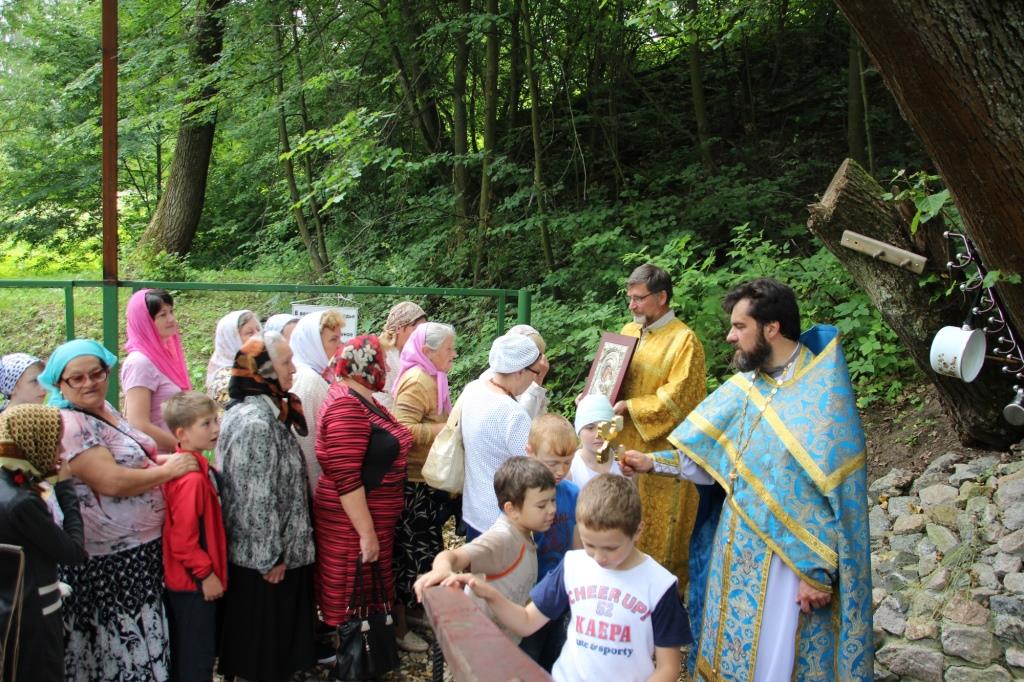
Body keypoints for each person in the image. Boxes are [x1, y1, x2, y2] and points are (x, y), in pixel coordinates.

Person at [621, 278, 873, 681]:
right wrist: (653, 463)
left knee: (782, 657)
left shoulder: (822, 394)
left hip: (789, 564)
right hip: (735, 549)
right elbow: (712, 459)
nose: (729, 336)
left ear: (771, 328)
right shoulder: (746, 386)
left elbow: (837, 497)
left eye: (740, 327)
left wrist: (817, 571)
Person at [39, 339, 198, 681]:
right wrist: (170, 471)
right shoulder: (70, 424)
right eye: (76, 379)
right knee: (115, 646)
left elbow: (136, 459)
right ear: (59, 383)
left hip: (138, 550)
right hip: (107, 561)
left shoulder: (104, 409)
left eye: (96, 373)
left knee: (140, 633)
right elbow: (111, 480)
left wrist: (183, 460)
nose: (89, 383)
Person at [449, 474, 691, 682]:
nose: (599, 557)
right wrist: (488, 593)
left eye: (610, 548)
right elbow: (526, 621)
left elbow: (668, 667)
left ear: (638, 530)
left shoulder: (660, 585)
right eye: (589, 545)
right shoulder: (574, 565)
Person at [216, 333, 317, 681]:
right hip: (266, 561)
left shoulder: (270, 412)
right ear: (263, 372)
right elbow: (253, 497)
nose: (293, 368)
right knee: (261, 654)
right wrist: (269, 558)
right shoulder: (255, 423)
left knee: (274, 653)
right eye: (285, 362)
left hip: (279, 552)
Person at [313, 335, 417, 651]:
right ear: (365, 366)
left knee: (364, 593)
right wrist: (366, 533)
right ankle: (351, 660)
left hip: (367, 521)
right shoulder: (346, 404)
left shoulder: (361, 396)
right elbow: (347, 479)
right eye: (381, 363)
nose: (386, 367)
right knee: (350, 593)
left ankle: (366, 656)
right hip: (352, 526)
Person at [613, 263, 706, 589]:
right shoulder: (628, 332)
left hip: (660, 453)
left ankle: (664, 605)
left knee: (660, 535)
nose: (632, 305)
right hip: (622, 444)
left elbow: (680, 401)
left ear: (662, 297)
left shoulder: (684, 341)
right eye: (630, 298)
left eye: (639, 299)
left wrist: (630, 406)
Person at [413, 457, 556, 643]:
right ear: (511, 509)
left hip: (506, 639)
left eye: (553, 500)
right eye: (542, 505)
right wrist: (442, 571)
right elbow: (452, 555)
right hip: (484, 644)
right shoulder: (502, 539)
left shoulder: (523, 530)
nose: (552, 509)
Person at [0, 404, 87, 682]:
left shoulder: (12, 481)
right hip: (31, 619)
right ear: (33, 441)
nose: (61, 451)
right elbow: (73, 552)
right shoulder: (23, 502)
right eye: (55, 441)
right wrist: (65, 487)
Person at [390, 322, 457, 646]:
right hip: (413, 481)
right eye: (448, 349)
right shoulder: (418, 381)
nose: (454, 354)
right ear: (428, 351)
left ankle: (417, 612)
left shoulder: (435, 377)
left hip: (427, 477)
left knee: (427, 549)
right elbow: (401, 429)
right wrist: (444, 428)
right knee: (411, 552)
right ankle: (401, 626)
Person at [161, 391, 226, 682]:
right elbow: (183, 539)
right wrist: (206, 574)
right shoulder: (191, 480)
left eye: (215, 420)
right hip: (192, 584)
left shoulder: (198, 467)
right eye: (205, 424)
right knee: (195, 658)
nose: (215, 428)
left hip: (194, 581)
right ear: (181, 434)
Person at [460, 334, 543, 539]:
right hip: (501, 522)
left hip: (473, 510)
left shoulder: (473, 389)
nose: (535, 379)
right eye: (535, 372)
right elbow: (534, 470)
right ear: (520, 371)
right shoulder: (512, 414)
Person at [522, 413, 580, 670]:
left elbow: (579, 547)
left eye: (567, 463)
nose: (561, 471)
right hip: (529, 595)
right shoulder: (520, 497)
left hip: (563, 591)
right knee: (527, 655)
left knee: (555, 654)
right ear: (530, 453)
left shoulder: (573, 493)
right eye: (553, 463)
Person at [122, 288, 192, 452]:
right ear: (144, 321)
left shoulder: (164, 356)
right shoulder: (139, 363)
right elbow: (137, 423)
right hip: (158, 460)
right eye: (162, 315)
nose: (171, 319)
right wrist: (183, 447)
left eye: (171, 312)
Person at [289, 310, 344, 489]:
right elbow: (307, 443)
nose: (340, 345)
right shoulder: (308, 381)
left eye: (339, 338)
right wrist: (318, 492)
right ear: (313, 344)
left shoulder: (321, 374)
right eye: (333, 340)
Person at [479, 325, 551, 418]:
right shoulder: (491, 379)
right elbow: (525, 417)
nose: (539, 362)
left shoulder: (498, 375)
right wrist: (538, 380)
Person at [374, 301, 427, 409]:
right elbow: (380, 403)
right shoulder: (382, 355)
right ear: (399, 328)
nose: (422, 335)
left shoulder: (415, 353)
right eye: (416, 329)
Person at [205, 309, 262, 405]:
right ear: (232, 340)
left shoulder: (258, 366)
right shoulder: (226, 381)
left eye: (258, 330)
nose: (258, 336)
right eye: (250, 333)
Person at [569, 394, 625, 487]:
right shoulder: (569, 469)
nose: (599, 435)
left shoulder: (625, 465)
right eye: (590, 428)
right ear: (578, 430)